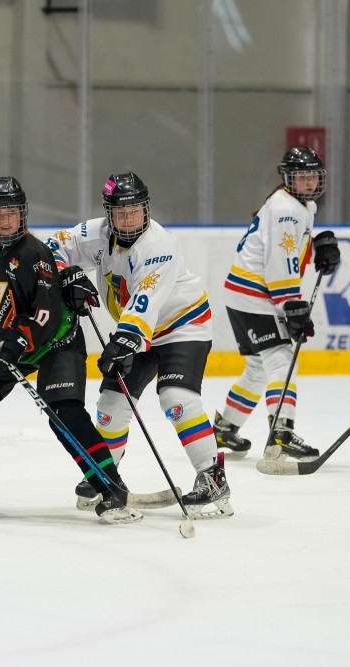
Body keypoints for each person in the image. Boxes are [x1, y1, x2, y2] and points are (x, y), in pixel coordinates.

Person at [0, 176, 142, 524]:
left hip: (57, 340)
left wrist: (15, 341)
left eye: (11, 213)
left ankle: (110, 484)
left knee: (64, 414)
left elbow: (46, 316)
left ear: (22, 214)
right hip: (13, 340)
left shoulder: (34, 255)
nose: (5, 221)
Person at [46, 172, 233, 520]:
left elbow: (144, 303)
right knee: (111, 403)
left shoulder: (158, 246)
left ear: (146, 208)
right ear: (109, 213)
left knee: (176, 397)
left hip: (182, 325)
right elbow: (54, 246)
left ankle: (212, 478)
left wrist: (124, 341)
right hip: (138, 331)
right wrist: (66, 274)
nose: (129, 218)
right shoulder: (96, 233)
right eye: (121, 212)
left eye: (135, 210)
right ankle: (105, 475)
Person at [214, 146, 339, 462]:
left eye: (313, 175)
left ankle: (225, 427)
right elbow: (279, 261)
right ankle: (281, 433)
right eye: (302, 176)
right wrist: (292, 306)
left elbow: (289, 248)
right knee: (281, 359)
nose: (309, 181)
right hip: (255, 294)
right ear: (288, 178)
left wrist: (317, 248)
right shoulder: (287, 208)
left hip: (243, 292)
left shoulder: (299, 205)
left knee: (258, 367)